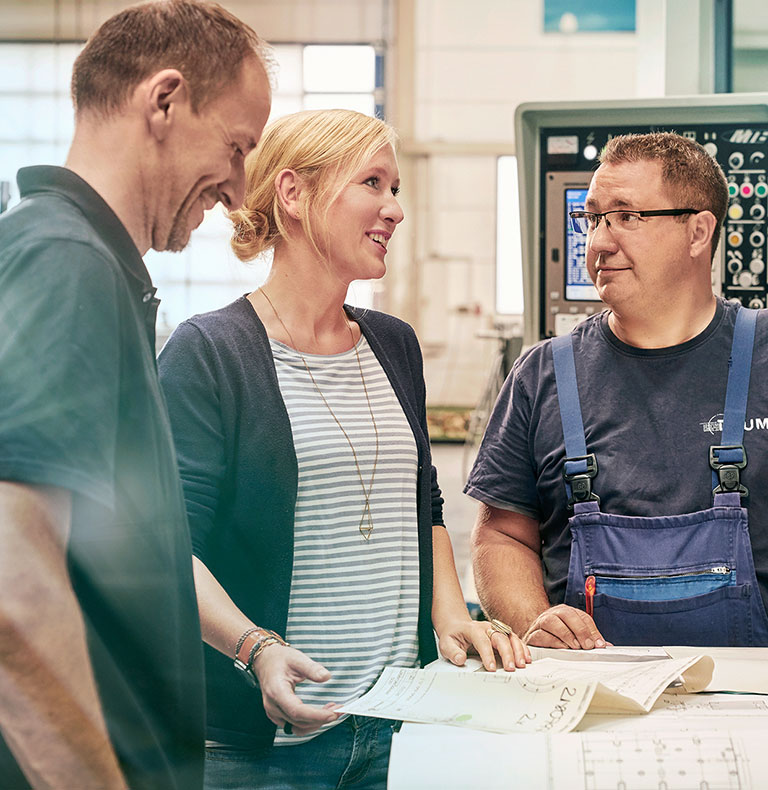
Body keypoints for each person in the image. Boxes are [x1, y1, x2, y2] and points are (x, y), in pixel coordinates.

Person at [158, 108, 530, 789]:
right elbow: (169, 547)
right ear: (294, 195)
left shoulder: (393, 345)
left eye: (395, 190)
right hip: (264, 748)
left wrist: (451, 615)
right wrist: (256, 649)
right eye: (374, 184)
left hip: (399, 730)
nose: (394, 209)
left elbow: (425, 508)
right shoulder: (211, 352)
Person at [0, 2, 271, 788]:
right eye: (236, 146)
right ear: (163, 100)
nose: (239, 186)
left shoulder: (81, 266)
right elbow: (12, 588)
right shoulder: (64, 263)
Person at [466, 131, 768, 650]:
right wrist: (535, 620)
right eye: (593, 218)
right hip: (583, 695)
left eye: (628, 216)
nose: (599, 242)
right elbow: (502, 535)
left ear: (698, 232)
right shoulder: (542, 375)